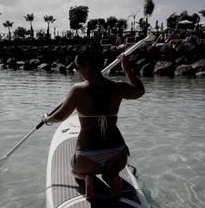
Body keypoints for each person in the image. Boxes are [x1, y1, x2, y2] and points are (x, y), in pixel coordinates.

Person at [42, 44, 145, 200]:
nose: (76, 70)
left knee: (75, 170)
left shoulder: (78, 90)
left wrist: (46, 119)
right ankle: (113, 178)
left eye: (77, 66)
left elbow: (60, 116)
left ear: (88, 66)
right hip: (117, 156)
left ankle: (88, 178)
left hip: (87, 157)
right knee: (109, 171)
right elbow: (139, 91)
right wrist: (126, 68)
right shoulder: (117, 87)